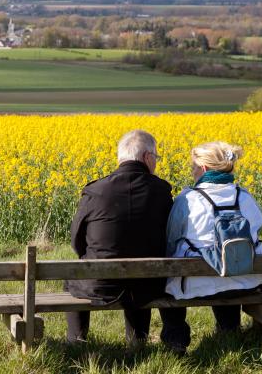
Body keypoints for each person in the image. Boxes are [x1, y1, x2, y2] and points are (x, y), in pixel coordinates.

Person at [66, 130, 190, 350]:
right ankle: (137, 342)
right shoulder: (162, 191)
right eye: (156, 158)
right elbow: (171, 237)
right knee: (141, 275)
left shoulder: (95, 191)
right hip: (150, 284)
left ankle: (76, 343)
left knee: (73, 278)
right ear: (147, 157)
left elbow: (76, 240)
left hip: (101, 284)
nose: (156, 163)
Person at [164, 141, 262, 335]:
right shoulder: (244, 197)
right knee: (227, 274)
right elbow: (257, 227)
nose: (192, 172)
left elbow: (171, 239)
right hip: (247, 282)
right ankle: (229, 330)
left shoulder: (188, 199)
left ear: (204, 168)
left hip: (196, 286)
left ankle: (176, 339)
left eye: (193, 167)